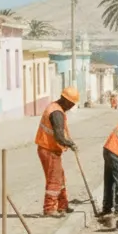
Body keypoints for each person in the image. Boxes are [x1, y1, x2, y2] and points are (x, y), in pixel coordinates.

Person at [34, 87, 80, 218]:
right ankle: (49, 208)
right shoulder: (56, 113)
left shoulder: (56, 108)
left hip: (51, 149)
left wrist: (69, 141)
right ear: (66, 100)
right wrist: (71, 144)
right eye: (71, 104)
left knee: (60, 178)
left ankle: (62, 205)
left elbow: (62, 133)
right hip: (48, 149)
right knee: (54, 180)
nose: (71, 107)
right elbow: (59, 136)